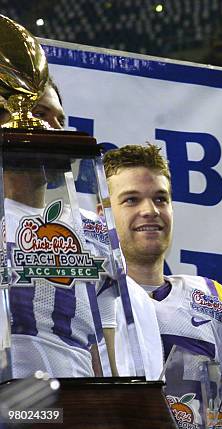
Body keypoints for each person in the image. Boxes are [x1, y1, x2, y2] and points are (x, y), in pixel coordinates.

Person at [103, 144, 222, 429]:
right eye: (132, 200)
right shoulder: (89, 300)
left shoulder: (213, 301)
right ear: (103, 213)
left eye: (161, 199)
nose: (150, 211)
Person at [0, 78, 106, 377]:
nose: (54, 128)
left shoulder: (91, 230)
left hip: (80, 408)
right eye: (41, 114)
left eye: (60, 119)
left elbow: (103, 345)